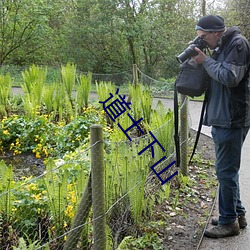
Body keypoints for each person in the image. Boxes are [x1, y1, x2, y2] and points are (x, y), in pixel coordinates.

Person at [192, 15, 250, 238]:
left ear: (216, 32)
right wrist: (202, 60)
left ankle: (228, 223)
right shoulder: (221, 46)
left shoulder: (238, 44)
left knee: (225, 171)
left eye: (204, 37)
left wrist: (205, 61)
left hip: (232, 118)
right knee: (227, 171)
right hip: (222, 117)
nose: (203, 41)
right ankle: (237, 214)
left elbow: (229, 77)